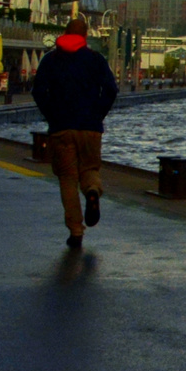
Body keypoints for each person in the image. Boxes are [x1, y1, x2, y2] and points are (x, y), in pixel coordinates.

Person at [32, 18, 120, 248]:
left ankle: (76, 231)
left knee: (68, 179)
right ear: (85, 36)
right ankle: (92, 191)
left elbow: (38, 90)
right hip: (90, 127)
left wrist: (51, 114)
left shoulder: (51, 59)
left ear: (64, 33)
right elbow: (111, 89)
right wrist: (98, 114)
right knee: (90, 169)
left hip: (61, 127)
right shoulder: (96, 60)